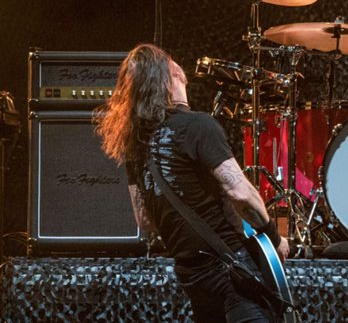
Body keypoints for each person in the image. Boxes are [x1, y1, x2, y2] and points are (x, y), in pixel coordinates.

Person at [95, 43, 289, 323]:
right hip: (231, 270)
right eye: (171, 61)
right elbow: (241, 193)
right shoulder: (198, 126)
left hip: (192, 276)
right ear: (170, 75)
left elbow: (145, 221)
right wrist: (273, 238)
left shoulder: (135, 146)